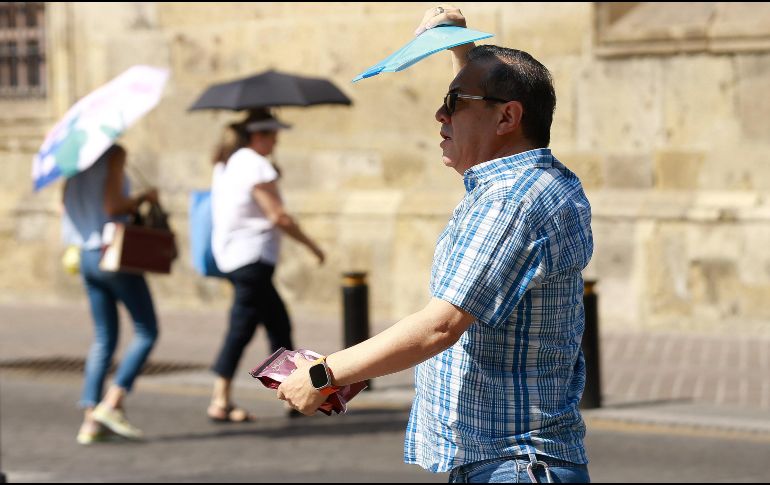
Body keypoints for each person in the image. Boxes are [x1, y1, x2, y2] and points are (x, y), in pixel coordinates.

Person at [277, 5, 593, 483]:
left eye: (456, 102)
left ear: (508, 117)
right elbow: (489, 111)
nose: (440, 114)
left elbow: (440, 326)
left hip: (515, 465)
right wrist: (459, 49)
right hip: (501, 463)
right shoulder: (522, 185)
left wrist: (325, 374)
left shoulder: (513, 201)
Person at [208, 109, 325, 422]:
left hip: (235, 257)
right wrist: (312, 245)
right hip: (252, 259)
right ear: (258, 135)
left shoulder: (230, 162)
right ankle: (222, 399)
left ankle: (284, 394)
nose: (277, 140)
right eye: (273, 134)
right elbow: (278, 216)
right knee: (244, 328)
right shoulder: (253, 164)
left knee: (271, 324)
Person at [62, 143, 161, 445]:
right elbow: (112, 205)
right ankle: (112, 402)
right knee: (147, 330)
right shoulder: (113, 154)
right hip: (112, 250)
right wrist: (142, 198)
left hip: (85, 253)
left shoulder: (73, 159)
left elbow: (65, 206)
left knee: (104, 337)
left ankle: (90, 421)